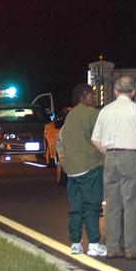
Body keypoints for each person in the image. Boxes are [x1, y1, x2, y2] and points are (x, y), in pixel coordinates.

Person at [91, 75, 136, 260]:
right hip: (131, 156)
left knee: (112, 205)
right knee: (132, 203)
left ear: (115, 91)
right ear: (133, 92)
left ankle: (112, 247)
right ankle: (132, 248)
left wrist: (108, 152)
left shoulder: (105, 110)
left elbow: (95, 139)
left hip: (111, 157)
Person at [59, 83, 106, 257]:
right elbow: (101, 138)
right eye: (92, 95)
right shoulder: (92, 114)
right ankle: (94, 244)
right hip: (90, 166)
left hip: (72, 170)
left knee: (76, 207)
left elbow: (61, 142)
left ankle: (76, 244)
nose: (94, 98)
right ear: (83, 96)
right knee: (92, 206)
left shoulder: (70, 116)